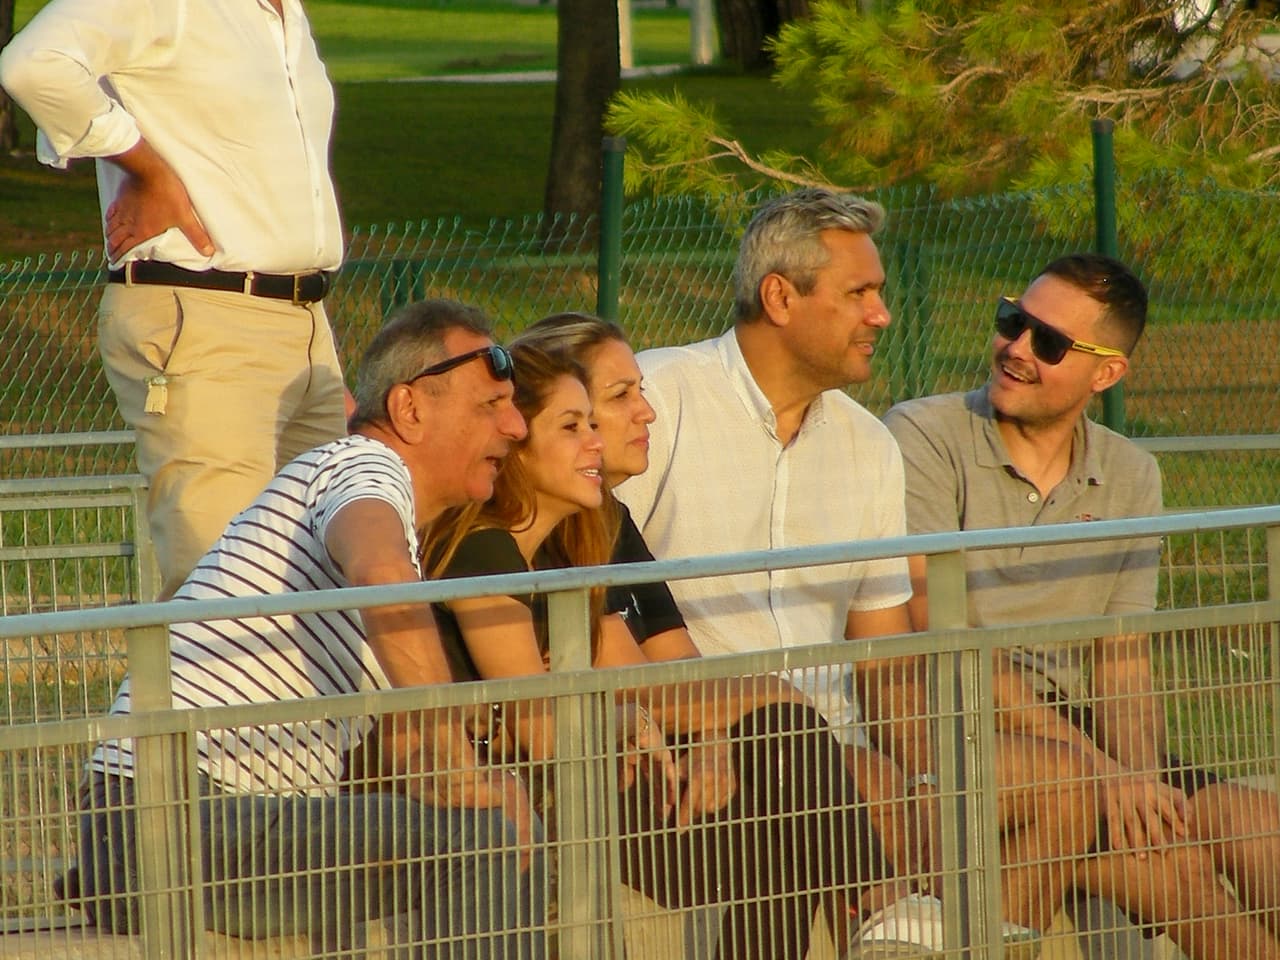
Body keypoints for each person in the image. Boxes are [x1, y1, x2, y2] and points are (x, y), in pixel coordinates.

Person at [421, 336, 926, 960]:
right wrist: (629, 714)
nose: (595, 442)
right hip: (538, 796)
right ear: (518, 445)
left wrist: (708, 725)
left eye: (592, 424)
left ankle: (884, 904)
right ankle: (883, 901)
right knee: (779, 804)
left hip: (600, 774)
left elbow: (645, 682)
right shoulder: (484, 547)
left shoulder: (572, 542)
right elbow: (542, 729)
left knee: (779, 757)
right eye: (573, 427)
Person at [74, 300, 540, 958]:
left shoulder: (374, 503)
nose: (516, 427)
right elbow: (381, 576)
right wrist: (458, 765)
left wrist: (451, 768)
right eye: (491, 405)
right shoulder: (361, 468)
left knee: (495, 824)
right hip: (169, 819)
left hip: (183, 822)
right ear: (409, 409)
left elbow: (408, 743)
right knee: (486, 837)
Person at [884, 253, 1280, 955]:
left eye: (1049, 342)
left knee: (1256, 830)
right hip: (968, 730)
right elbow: (944, 632)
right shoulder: (923, 434)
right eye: (1013, 320)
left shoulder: (1131, 473)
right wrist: (1103, 774)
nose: (1016, 348)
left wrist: (1139, 781)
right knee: (1177, 878)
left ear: (1106, 373)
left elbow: (1122, 659)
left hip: (1078, 734)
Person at [0, 0, 349, 598]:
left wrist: (313, 343)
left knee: (328, 584)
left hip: (304, 322)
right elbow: (34, 64)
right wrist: (148, 169)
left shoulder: (283, 12)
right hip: (204, 311)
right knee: (228, 588)